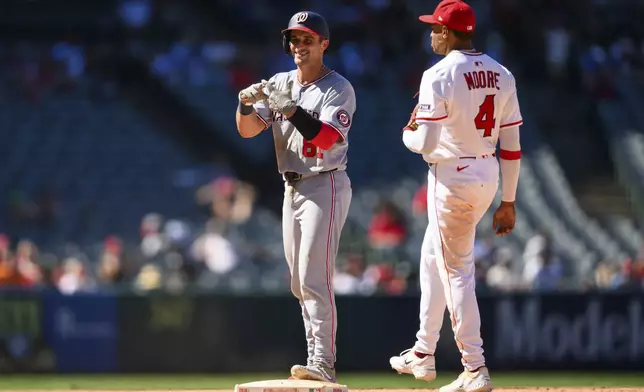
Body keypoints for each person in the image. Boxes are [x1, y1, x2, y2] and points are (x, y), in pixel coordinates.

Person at [388, 1, 523, 392]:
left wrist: (406, 133)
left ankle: (474, 367)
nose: (431, 33)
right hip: (487, 174)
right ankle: (423, 352)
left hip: (452, 176)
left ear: (448, 32)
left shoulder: (438, 74)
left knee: (456, 271)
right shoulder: (503, 73)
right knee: (433, 257)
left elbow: (426, 143)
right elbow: (512, 144)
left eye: (435, 28)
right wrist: (509, 200)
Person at [235, 11, 356, 383]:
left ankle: (324, 362)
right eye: (294, 39)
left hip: (326, 182)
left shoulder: (338, 88)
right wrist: (244, 102)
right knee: (298, 281)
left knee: (314, 275)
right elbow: (247, 130)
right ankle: (314, 358)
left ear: (324, 44)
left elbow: (327, 139)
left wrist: (289, 108)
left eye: (307, 39)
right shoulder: (281, 80)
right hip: (292, 186)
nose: (299, 46)